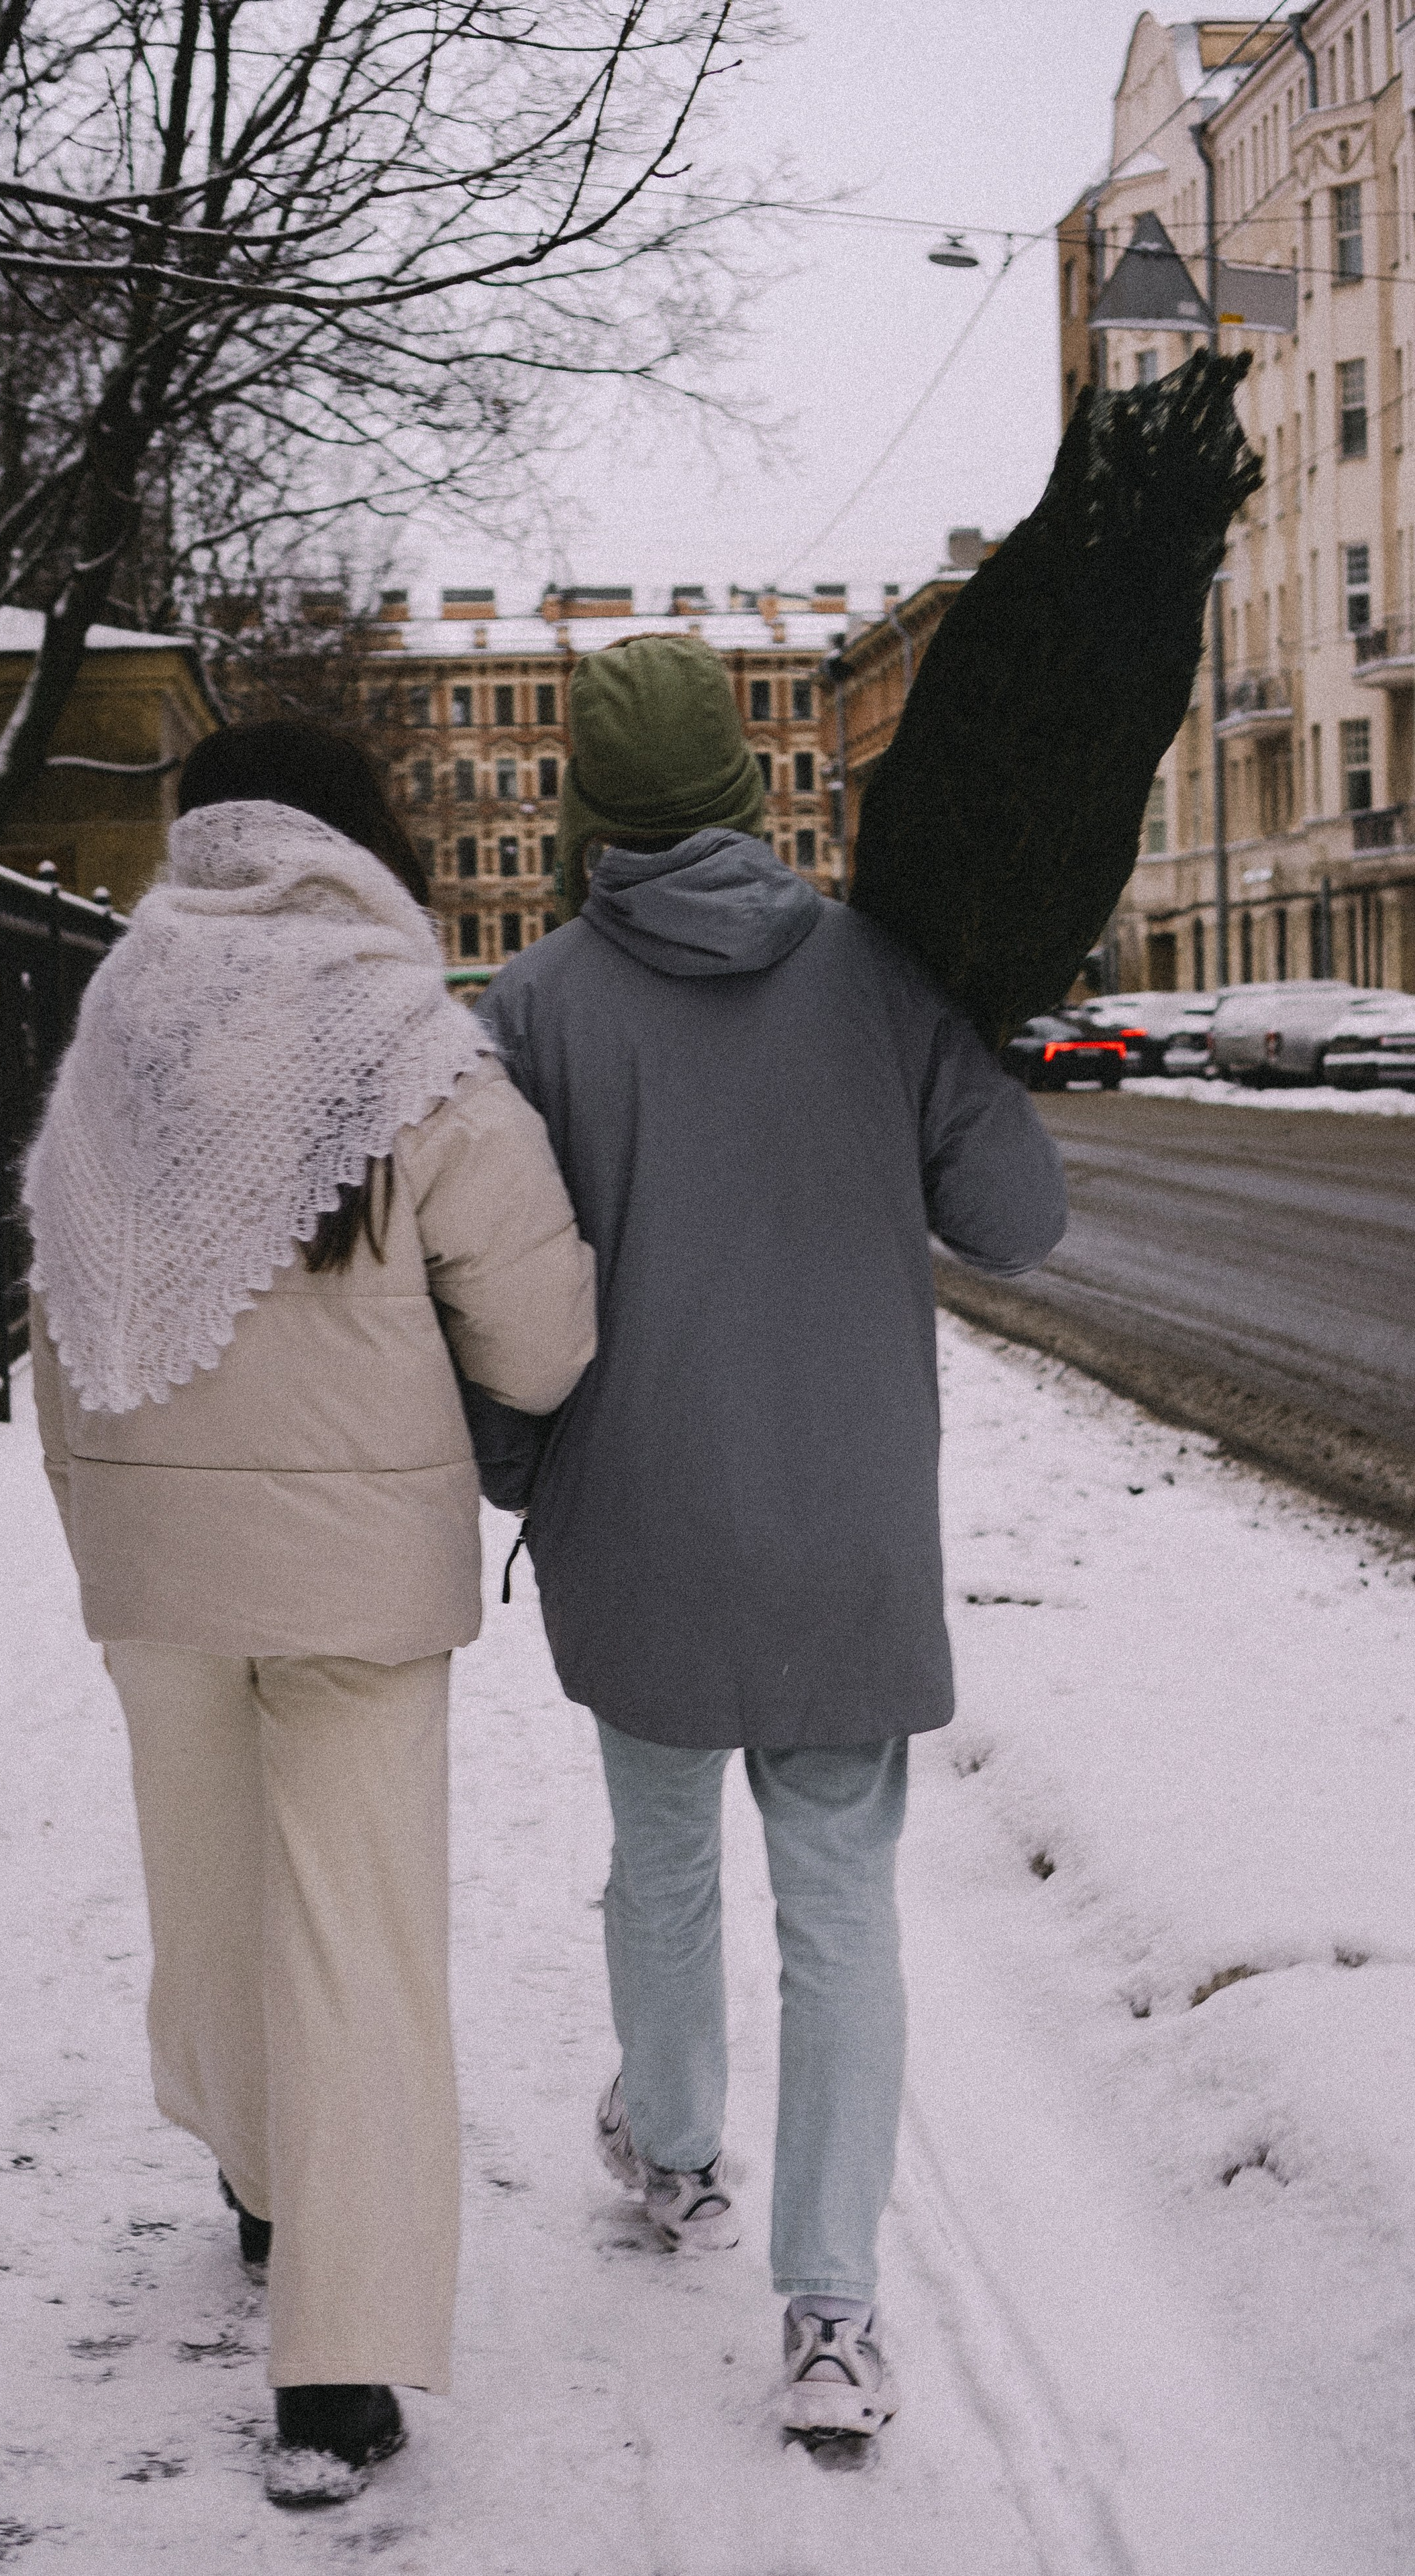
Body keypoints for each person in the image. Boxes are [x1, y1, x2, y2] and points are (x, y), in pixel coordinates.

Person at [470, 635, 1067, 2446]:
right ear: (750, 785)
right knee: (840, 1908)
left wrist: (517, 1472)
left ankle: (673, 2157)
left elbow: (500, 1294)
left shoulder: (536, 1006)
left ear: (586, 803)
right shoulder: (885, 980)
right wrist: (977, 1045)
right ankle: (828, 2314)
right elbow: (1021, 1224)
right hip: (847, 1536)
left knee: (658, 1864)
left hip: (641, 1523)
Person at [24, 720, 596, 2507]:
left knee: (208, 1900)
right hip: (359, 1575)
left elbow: (62, 1309)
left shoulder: (120, 1032)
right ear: (360, 845)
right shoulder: (418, 1047)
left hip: (159, 1568)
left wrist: (104, 1524)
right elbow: (541, 1335)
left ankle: (266, 2183)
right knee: (356, 1937)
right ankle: (338, 2378)